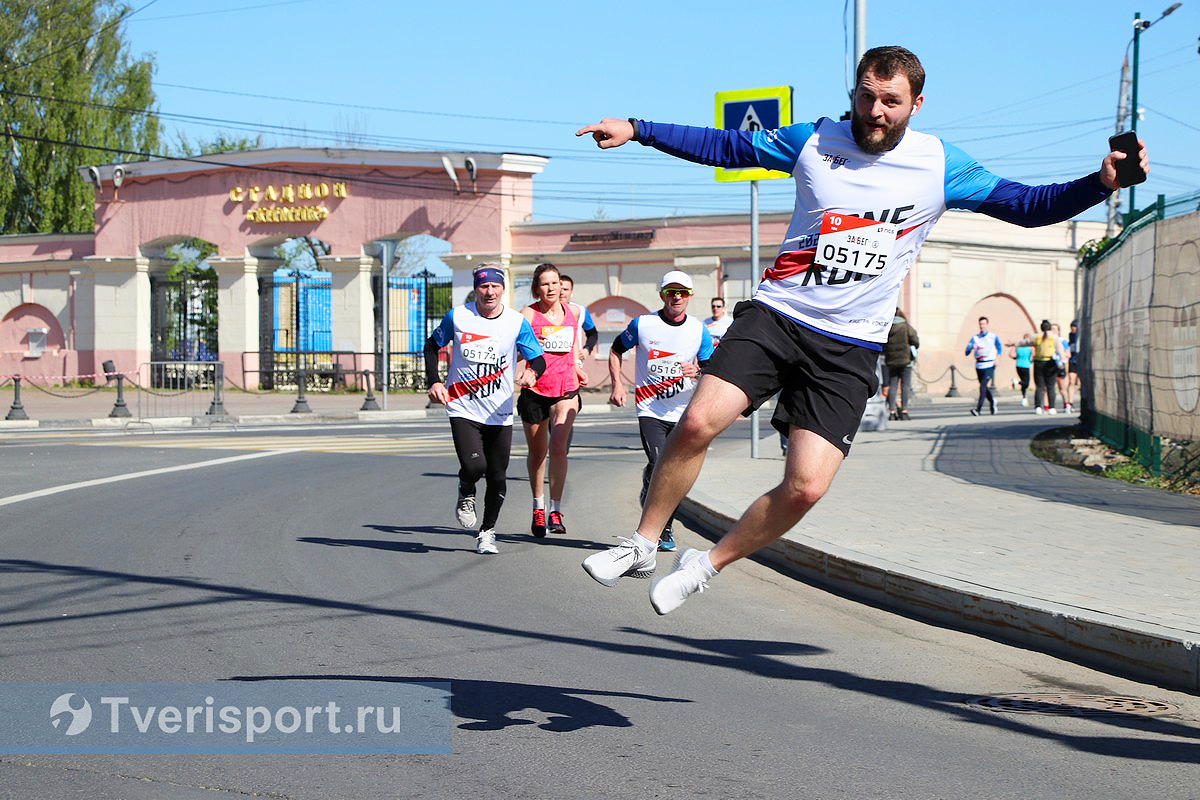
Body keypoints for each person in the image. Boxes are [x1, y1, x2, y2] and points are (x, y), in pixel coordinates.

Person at [576, 45, 1147, 615]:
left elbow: (1027, 204)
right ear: (853, 92)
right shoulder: (814, 140)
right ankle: (643, 542)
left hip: (850, 345)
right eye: (866, 96)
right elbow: (725, 145)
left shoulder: (940, 165)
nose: (875, 112)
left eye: (890, 102)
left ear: (916, 105)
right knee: (698, 419)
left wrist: (1099, 184)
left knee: (806, 487)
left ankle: (705, 565)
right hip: (779, 315)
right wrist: (638, 128)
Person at [425, 264, 546, 555]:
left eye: (494, 286)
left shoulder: (516, 322)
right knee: (474, 467)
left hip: (499, 410)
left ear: (502, 288)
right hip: (462, 406)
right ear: (476, 288)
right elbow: (431, 346)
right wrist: (434, 381)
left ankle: (487, 532)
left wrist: (532, 373)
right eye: (483, 286)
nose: (489, 292)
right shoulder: (458, 316)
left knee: (498, 476)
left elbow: (538, 359)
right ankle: (466, 488)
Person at [608, 270, 714, 554]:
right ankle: (659, 522)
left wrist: (698, 370)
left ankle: (665, 525)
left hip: (682, 411)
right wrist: (617, 384)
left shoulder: (698, 330)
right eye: (670, 292)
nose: (676, 297)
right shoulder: (644, 324)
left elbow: (710, 369)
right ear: (662, 295)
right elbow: (616, 350)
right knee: (661, 463)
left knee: (675, 472)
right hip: (650, 408)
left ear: (690, 297)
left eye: (682, 292)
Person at [519, 263, 589, 537]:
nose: (551, 288)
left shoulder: (573, 312)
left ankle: (555, 510)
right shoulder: (528, 314)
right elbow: (517, 345)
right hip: (536, 390)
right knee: (538, 453)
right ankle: (538, 506)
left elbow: (572, 345)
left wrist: (576, 364)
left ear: (562, 285)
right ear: (537, 288)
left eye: (555, 282)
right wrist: (525, 370)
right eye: (545, 284)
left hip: (566, 389)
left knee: (558, 448)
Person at [883, 308, 918, 420]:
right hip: (905, 361)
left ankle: (892, 411)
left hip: (891, 360)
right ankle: (904, 411)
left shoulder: (887, 327)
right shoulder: (905, 326)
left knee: (892, 385)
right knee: (905, 385)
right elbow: (915, 340)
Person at [964, 316, 1002, 416]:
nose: (982, 326)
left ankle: (978, 409)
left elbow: (999, 348)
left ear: (987, 325)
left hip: (989, 364)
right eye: (980, 324)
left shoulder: (993, 337)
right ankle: (992, 401)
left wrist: (997, 358)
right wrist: (972, 347)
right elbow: (966, 351)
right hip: (979, 365)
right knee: (984, 387)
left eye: (984, 324)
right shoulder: (975, 338)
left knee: (982, 387)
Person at [1032, 319, 1064, 414]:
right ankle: (1052, 407)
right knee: (1051, 386)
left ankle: (1038, 407)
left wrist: (1014, 344)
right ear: (1050, 328)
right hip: (1050, 363)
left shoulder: (1036, 337)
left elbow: (1024, 342)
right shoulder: (1054, 338)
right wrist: (1062, 361)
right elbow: (1060, 349)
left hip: (1038, 362)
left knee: (1039, 386)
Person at [1008, 334, 1034, 407]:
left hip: (1018, 365)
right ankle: (1016, 382)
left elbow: (1010, 354)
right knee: (1026, 383)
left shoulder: (1018, 346)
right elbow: (1033, 355)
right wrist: (1031, 360)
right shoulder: (1030, 347)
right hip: (1026, 365)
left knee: (1023, 382)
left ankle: (1024, 398)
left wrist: (1015, 357)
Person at [1051, 322, 1071, 413]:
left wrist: (1060, 355)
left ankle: (1067, 405)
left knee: (1062, 387)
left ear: (1058, 331)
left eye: (1055, 329)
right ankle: (1048, 407)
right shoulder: (1048, 340)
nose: (1053, 331)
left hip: (1059, 365)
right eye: (1051, 329)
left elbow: (1068, 353)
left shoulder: (1063, 341)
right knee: (1048, 387)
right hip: (1050, 365)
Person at [1065, 319, 1081, 413]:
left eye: (1074, 327)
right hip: (1073, 360)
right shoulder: (1071, 336)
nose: (1073, 329)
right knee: (1071, 381)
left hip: (1081, 360)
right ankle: (1070, 403)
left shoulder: (1082, 336)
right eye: (1072, 327)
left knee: (1081, 383)